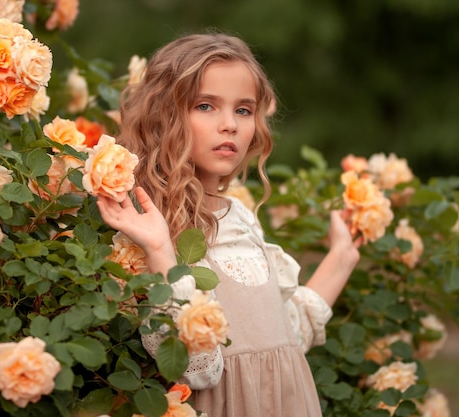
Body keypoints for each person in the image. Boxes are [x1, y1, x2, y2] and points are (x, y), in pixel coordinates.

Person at [96, 31, 361, 417]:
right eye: (205, 106)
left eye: (243, 110)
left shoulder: (240, 216)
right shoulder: (151, 225)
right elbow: (195, 370)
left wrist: (342, 256)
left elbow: (282, 340)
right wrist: (159, 251)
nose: (230, 125)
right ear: (164, 115)